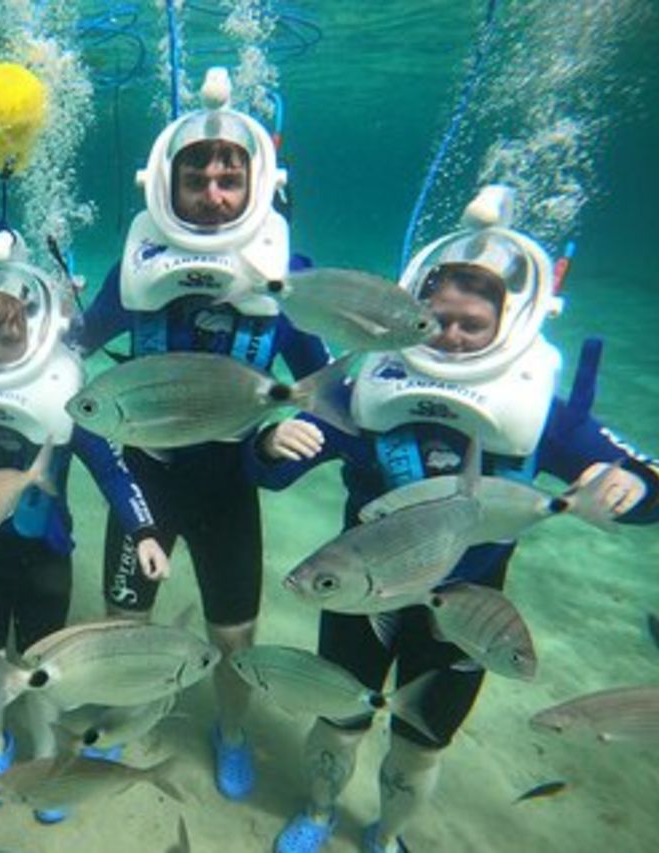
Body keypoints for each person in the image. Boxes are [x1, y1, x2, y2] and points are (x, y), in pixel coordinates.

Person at [254, 186, 659, 853]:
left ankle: (385, 834)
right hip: (356, 595)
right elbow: (273, 469)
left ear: (510, 323)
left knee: (420, 744)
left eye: (473, 323)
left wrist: (631, 490)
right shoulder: (369, 386)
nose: (452, 335)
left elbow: (644, 481)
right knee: (339, 719)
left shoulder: (541, 410)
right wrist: (270, 445)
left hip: (466, 613)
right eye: (437, 318)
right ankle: (320, 809)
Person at [74, 66, 329, 800]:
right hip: (147, 478)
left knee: (233, 636)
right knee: (125, 620)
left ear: (259, 184)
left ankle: (233, 729)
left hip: (227, 483)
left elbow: (327, 395)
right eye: (197, 178)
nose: (214, 195)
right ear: (165, 186)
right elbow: (74, 365)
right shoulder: (133, 269)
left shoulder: (288, 274)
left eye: (229, 176)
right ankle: (131, 721)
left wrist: (274, 443)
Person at [0, 232, 169, 824]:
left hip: (45, 558)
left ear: (33, 336)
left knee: (38, 666)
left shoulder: (61, 395)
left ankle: (44, 755)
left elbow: (112, 468)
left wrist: (145, 532)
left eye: (10, 338)